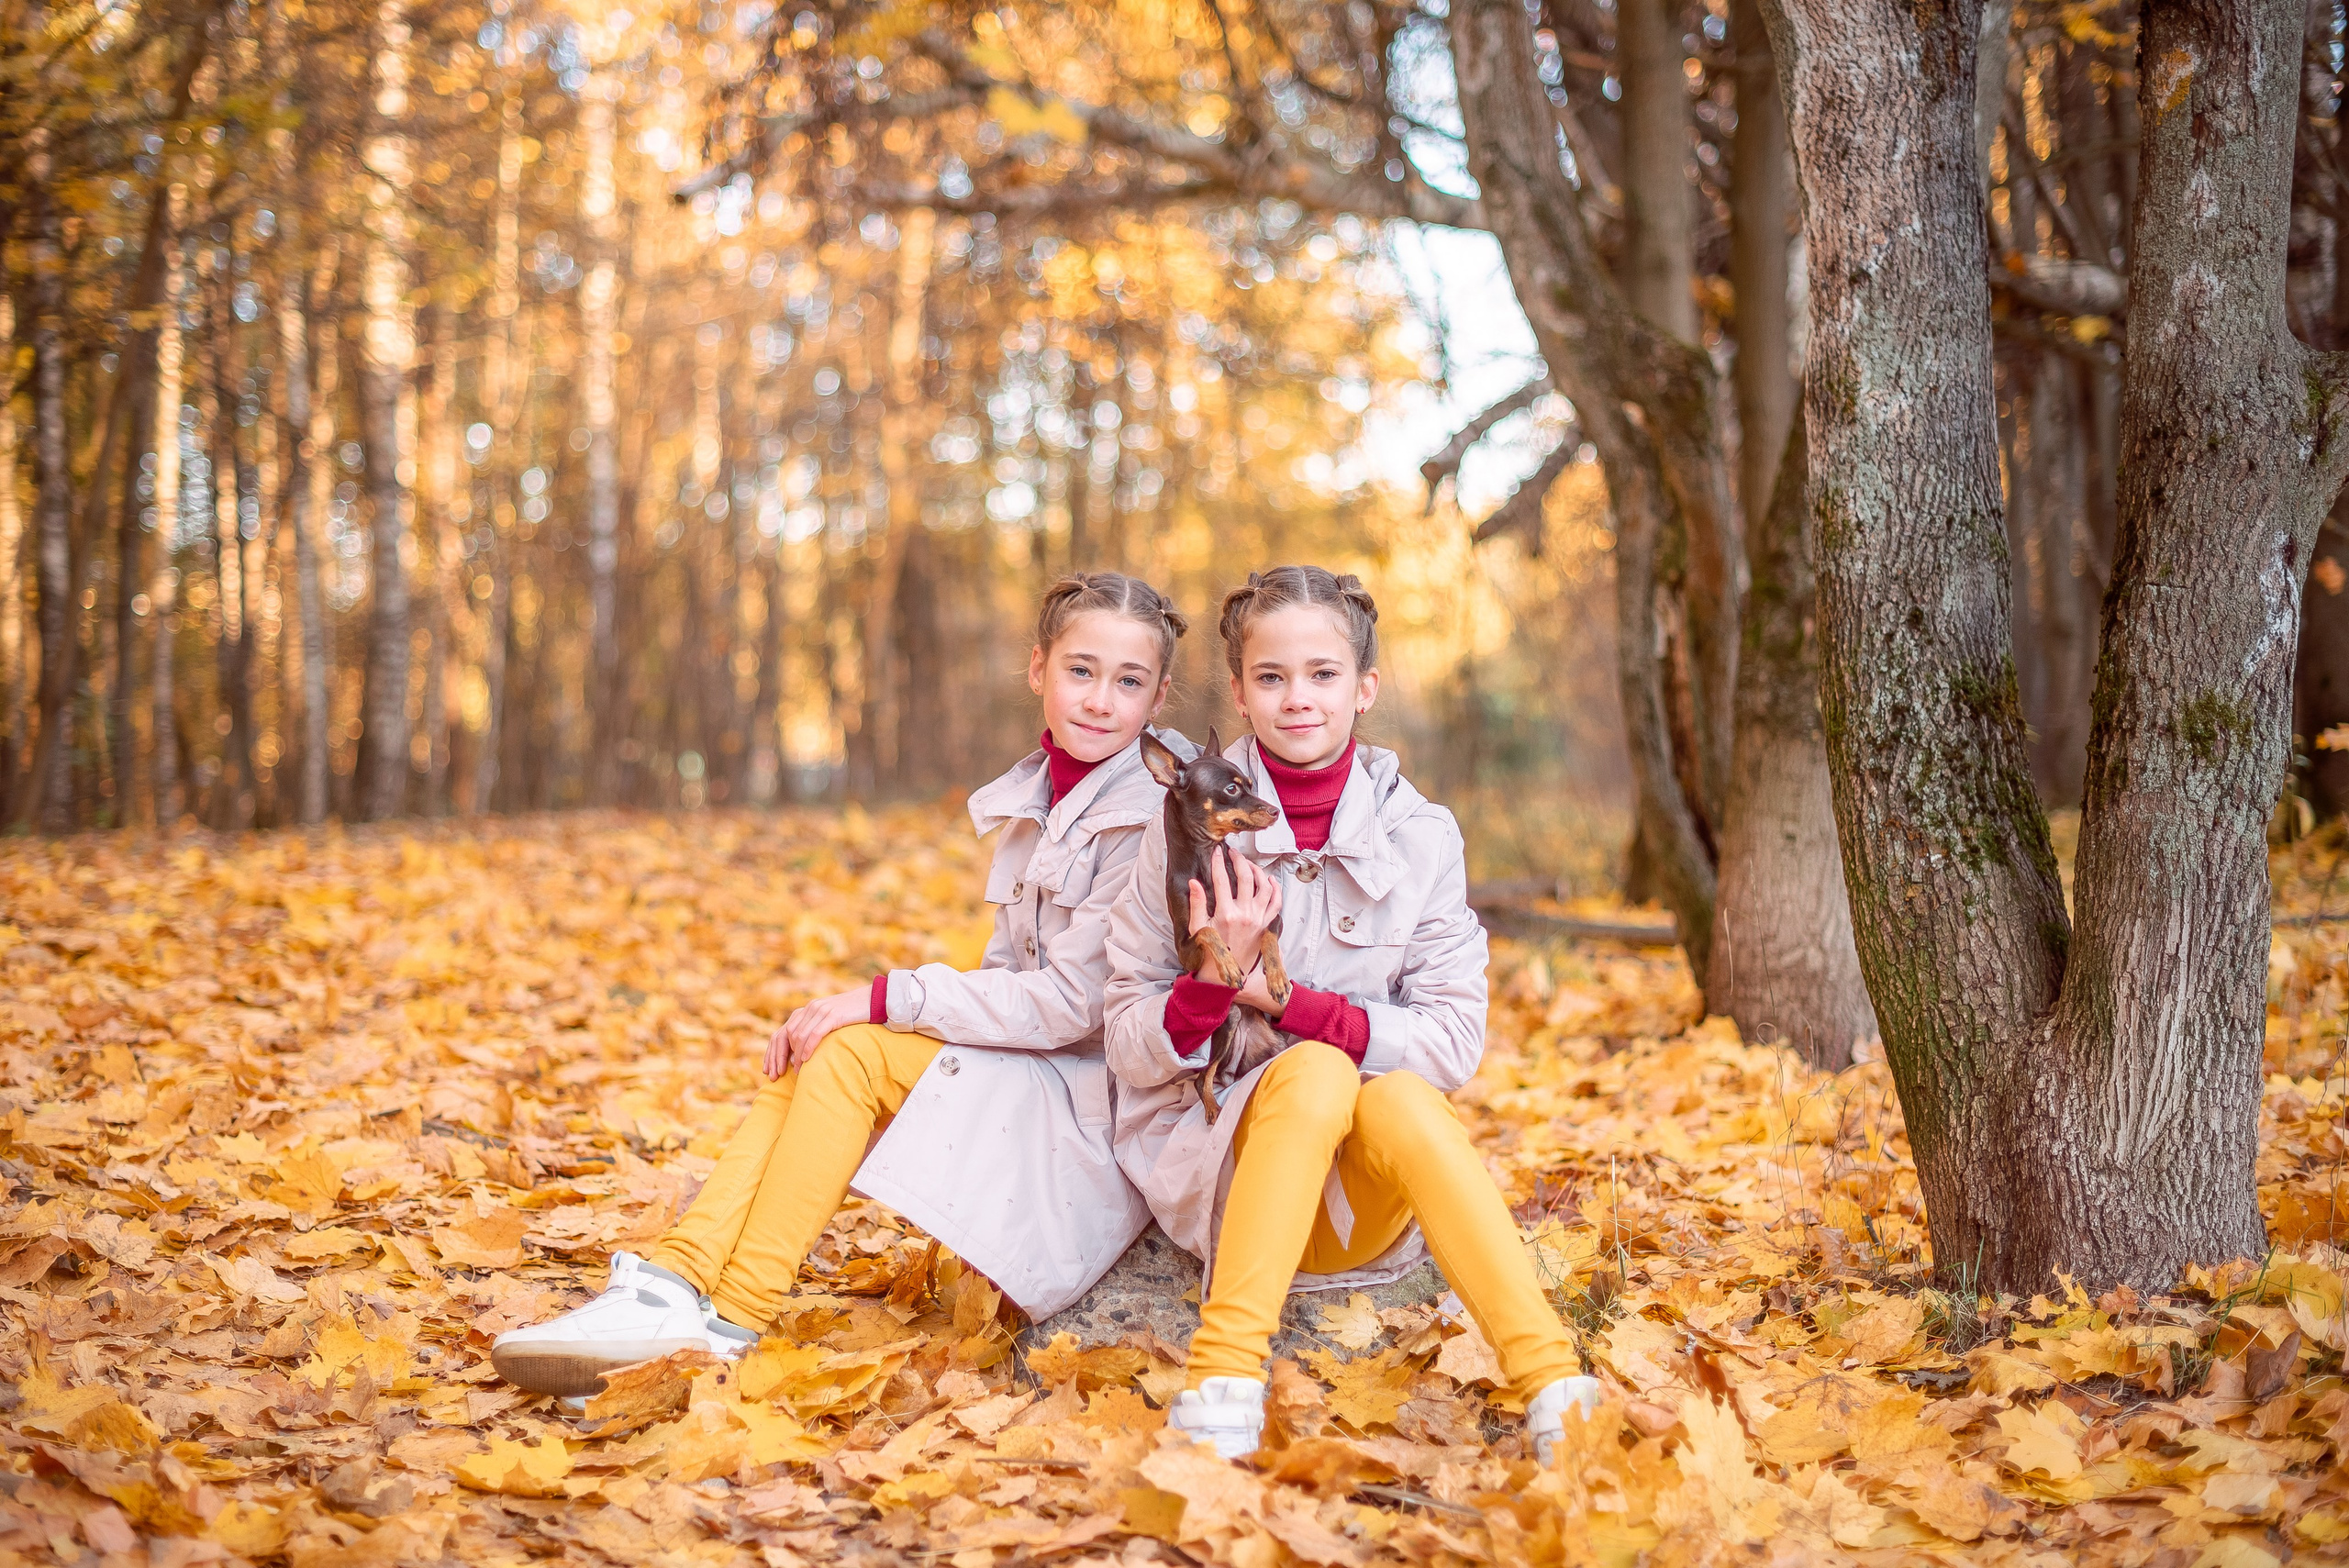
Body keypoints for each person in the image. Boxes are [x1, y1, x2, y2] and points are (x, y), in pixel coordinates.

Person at [493, 573, 1193, 1396]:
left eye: (1129, 680)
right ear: (1038, 668)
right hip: (1044, 1075)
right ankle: (669, 1285)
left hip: (1097, 1107)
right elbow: (1014, 981)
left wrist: (889, 997)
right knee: (824, 1049)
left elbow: (1075, 1006)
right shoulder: (1043, 796)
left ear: (1159, 696)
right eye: (1082, 669)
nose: (1102, 699)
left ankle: (726, 1322)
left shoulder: (1153, 810)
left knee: (854, 1049)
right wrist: (886, 1011)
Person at [1103, 565, 1602, 1463]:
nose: (1299, 698)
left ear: (1364, 687)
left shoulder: (1423, 837)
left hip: (1356, 1208)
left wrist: (1290, 1000)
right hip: (1220, 1176)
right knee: (1318, 1069)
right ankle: (1222, 1384)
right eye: (1271, 677)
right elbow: (1128, 1042)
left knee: (1404, 1097)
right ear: (1243, 693)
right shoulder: (1176, 825)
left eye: (1324, 673)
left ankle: (1556, 1386)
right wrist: (1215, 982)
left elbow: (1451, 1041)